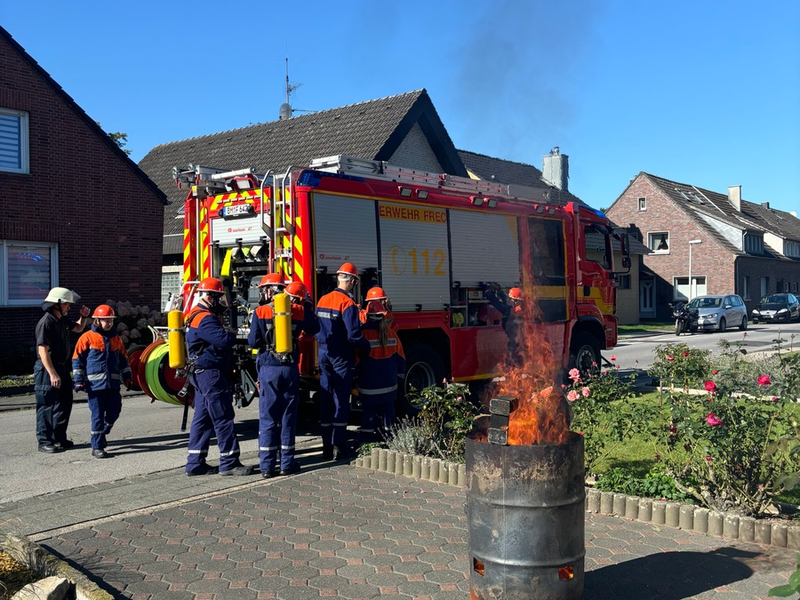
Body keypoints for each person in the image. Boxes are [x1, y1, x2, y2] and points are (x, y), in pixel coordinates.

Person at [184, 277, 254, 476]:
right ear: (209, 297)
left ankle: (195, 463)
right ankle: (230, 462)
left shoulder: (193, 315)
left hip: (199, 373)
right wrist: (232, 333)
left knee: (203, 419)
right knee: (223, 416)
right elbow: (223, 341)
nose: (221, 303)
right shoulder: (205, 318)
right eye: (218, 298)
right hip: (210, 374)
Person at [249, 280, 319, 478]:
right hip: (289, 369)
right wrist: (306, 305)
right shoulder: (299, 311)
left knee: (268, 417)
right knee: (288, 417)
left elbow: (253, 341)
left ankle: (267, 467)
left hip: (268, 369)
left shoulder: (260, 311)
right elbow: (315, 328)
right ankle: (287, 463)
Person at [315, 262, 370, 459]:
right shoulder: (347, 303)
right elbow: (353, 335)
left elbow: (315, 327)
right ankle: (339, 445)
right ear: (353, 281)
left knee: (326, 398)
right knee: (340, 400)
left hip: (323, 353)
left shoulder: (323, 299)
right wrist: (366, 347)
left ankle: (326, 447)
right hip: (341, 356)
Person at [34, 287, 91, 453]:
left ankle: (59, 437)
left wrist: (84, 317)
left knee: (64, 403)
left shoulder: (61, 320)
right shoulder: (46, 322)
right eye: (67, 304)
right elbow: (42, 350)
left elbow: (79, 328)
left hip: (61, 367)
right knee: (46, 405)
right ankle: (44, 441)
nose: (69, 307)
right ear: (57, 304)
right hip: (47, 370)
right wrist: (52, 373)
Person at [71, 305, 132, 458]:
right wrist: (78, 381)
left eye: (111, 320)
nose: (109, 323)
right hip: (95, 387)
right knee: (97, 416)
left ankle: (107, 427)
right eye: (105, 320)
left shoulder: (116, 339)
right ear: (97, 320)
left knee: (115, 411)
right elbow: (77, 360)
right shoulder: (87, 338)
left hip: (112, 386)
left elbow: (124, 360)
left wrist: (128, 377)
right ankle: (97, 447)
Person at [357, 300, 405, 444]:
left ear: (368, 315)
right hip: (389, 386)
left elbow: (356, 361)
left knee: (368, 414)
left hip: (368, 387)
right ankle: (389, 440)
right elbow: (401, 360)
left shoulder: (362, 335)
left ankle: (367, 442)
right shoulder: (391, 334)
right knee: (388, 413)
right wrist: (399, 378)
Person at [484, 284, 525, 367]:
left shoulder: (511, 310)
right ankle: (514, 368)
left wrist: (488, 293)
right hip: (517, 338)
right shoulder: (517, 308)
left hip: (514, 338)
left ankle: (511, 367)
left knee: (512, 353)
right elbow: (506, 302)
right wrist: (499, 291)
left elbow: (497, 303)